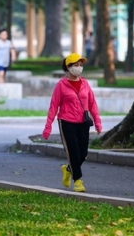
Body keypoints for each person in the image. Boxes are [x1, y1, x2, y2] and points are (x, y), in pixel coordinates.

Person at [42, 53, 102, 192]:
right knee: (74, 153)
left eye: (81, 65)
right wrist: (48, 127)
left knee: (83, 153)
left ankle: (68, 169)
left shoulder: (85, 84)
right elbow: (53, 107)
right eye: (76, 65)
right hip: (67, 122)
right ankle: (78, 181)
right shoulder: (61, 86)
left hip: (83, 122)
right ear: (68, 67)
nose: (79, 68)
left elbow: (92, 103)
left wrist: (98, 122)